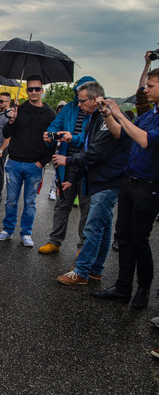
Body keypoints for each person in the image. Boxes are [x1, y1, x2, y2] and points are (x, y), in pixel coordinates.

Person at [90, 68, 159, 307]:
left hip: (149, 187)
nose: (145, 89)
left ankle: (144, 288)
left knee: (139, 239)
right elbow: (121, 132)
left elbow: (145, 140)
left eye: (151, 86)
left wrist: (119, 111)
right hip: (129, 183)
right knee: (124, 238)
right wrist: (108, 114)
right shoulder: (149, 114)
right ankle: (122, 287)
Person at [52, 81, 130, 286]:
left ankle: (82, 271)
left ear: (96, 99)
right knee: (102, 229)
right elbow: (84, 150)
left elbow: (96, 153)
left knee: (92, 227)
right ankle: (95, 269)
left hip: (108, 182)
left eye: (82, 101)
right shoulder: (92, 120)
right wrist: (71, 179)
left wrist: (67, 161)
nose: (79, 105)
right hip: (95, 180)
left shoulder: (108, 119)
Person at [0, 75, 56, 246]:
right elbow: (6, 133)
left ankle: (26, 233)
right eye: (30, 89)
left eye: (37, 89)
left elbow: (52, 142)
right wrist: (12, 120)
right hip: (14, 162)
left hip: (35, 165)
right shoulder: (18, 109)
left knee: (30, 202)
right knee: (11, 200)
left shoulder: (50, 114)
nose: (34, 92)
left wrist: (42, 162)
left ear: (42, 90)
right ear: (27, 91)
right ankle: (7, 230)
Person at [38, 77, 96, 255]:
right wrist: (50, 135)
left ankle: (82, 247)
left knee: (86, 208)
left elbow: (91, 141)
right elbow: (55, 126)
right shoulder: (69, 108)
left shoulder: (97, 114)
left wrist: (72, 138)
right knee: (62, 204)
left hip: (87, 167)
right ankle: (55, 241)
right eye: (77, 96)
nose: (79, 103)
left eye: (82, 98)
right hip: (65, 165)